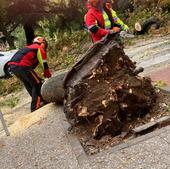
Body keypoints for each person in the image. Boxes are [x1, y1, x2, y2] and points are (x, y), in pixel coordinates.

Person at [8, 36, 52, 112]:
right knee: (37, 83)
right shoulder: (38, 48)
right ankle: (35, 107)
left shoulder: (30, 48)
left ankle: (40, 101)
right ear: (42, 43)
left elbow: (33, 63)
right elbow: (44, 63)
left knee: (29, 84)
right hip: (22, 65)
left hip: (13, 66)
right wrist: (47, 73)